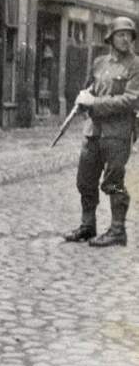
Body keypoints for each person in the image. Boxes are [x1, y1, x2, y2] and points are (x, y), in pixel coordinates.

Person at [64, 16, 139, 247]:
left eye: (129, 35)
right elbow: (90, 88)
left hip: (117, 134)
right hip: (93, 132)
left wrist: (94, 103)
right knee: (85, 181)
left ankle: (117, 230)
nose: (125, 39)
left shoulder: (135, 65)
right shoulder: (99, 63)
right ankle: (88, 226)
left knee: (113, 182)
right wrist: (82, 97)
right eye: (121, 34)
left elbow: (131, 99)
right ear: (111, 38)